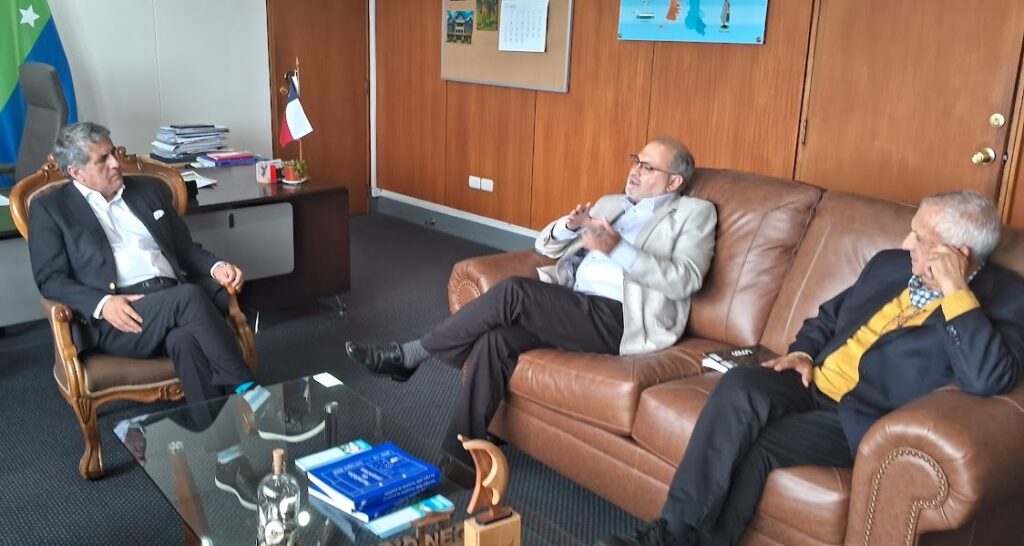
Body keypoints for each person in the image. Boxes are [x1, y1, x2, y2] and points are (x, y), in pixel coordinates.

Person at [600, 190, 1024, 546]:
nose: (906, 242)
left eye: (920, 238)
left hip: (859, 415)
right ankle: (671, 532)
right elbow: (828, 316)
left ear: (958, 255)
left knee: (761, 448)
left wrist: (955, 291)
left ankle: (667, 538)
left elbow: (988, 378)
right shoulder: (890, 264)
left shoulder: (1006, 300)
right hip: (809, 379)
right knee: (741, 384)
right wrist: (803, 352)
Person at [345, 137, 717, 463]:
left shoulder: (694, 214)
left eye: (648, 167)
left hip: (622, 318)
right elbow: (544, 247)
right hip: (575, 301)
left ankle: (411, 355)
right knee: (496, 340)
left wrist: (617, 248)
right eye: (636, 160)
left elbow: (685, 279)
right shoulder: (611, 204)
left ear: (674, 181)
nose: (635, 170)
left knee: (512, 292)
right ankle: (458, 460)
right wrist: (568, 227)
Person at [27, 122, 257, 404]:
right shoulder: (51, 208)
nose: (116, 163)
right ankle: (249, 391)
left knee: (183, 341)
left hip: (172, 295)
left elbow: (183, 248)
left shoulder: (147, 190)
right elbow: (50, 279)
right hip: (122, 314)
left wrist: (216, 266)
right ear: (76, 172)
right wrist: (102, 304)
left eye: (114, 152)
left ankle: (216, 432)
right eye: (103, 159)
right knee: (189, 297)